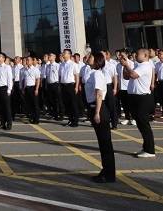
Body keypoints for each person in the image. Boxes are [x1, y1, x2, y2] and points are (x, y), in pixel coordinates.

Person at [85, 52, 116, 183]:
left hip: (99, 108)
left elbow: (99, 94)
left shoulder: (97, 74)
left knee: (105, 144)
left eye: (90, 57)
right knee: (103, 144)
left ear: (96, 60)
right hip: (95, 107)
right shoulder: (93, 73)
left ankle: (108, 174)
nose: (87, 58)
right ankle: (106, 171)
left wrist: (97, 112)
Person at [121, 48, 156, 158]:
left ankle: (150, 150)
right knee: (140, 124)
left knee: (144, 124)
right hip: (135, 97)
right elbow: (126, 76)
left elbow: (132, 75)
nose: (136, 55)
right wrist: (124, 66)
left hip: (142, 98)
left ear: (145, 55)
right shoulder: (138, 65)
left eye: (138, 54)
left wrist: (126, 65)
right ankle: (146, 148)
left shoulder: (145, 66)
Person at [60, 49, 81, 127]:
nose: (63, 54)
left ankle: (75, 121)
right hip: (63, 85)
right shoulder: (61, 65)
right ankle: (70, 119)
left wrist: (76, 86)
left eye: (65, 53)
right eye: (63, 53)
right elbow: (60, 76)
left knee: (73, 103)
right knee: (67, 104)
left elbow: (77, 76)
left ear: (69, 54)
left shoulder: (73, 64)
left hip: (71, 85)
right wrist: (59, 85)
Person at [0, 53, 13, 130]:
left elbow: (9, 79)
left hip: (4, 88)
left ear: (4, 58)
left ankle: (9, 123)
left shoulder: (7, 67)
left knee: (6, 107)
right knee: (0, 107)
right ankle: (2, 123)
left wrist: (9, 89)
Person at [22, 56, 41, 124]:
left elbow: (38, 79)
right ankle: (31, 118)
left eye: (28, 60)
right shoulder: (25, 70)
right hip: (27, 88)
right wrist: (23, 88)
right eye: (26, 60)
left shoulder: (35, 69)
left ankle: (36, 119)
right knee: (29, 104)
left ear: (32, 61)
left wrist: (37, 89)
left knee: (35, 104)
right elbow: (24, 80)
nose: (27, 61)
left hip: (33, 88)